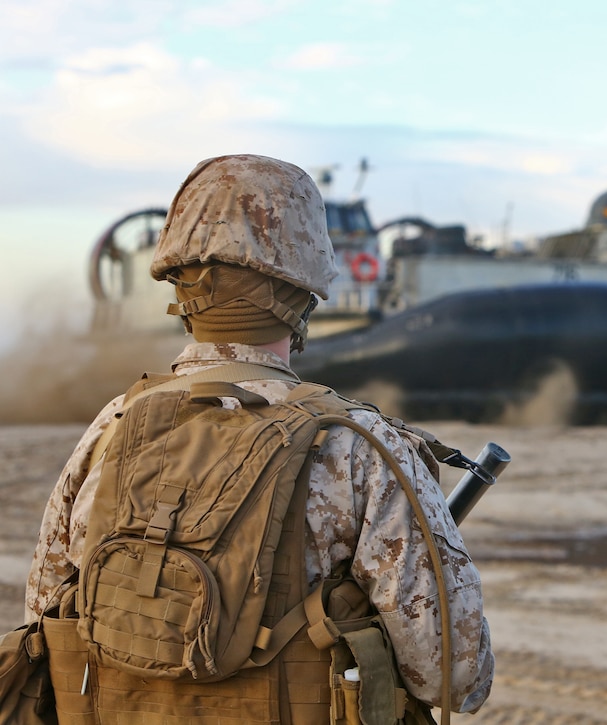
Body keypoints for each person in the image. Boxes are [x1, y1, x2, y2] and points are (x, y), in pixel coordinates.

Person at [25, 154, 493, 721]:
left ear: (180, 282)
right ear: (303, 290)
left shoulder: (109, 428)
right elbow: (457, 675)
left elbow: (46, 620)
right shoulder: (359, 445)